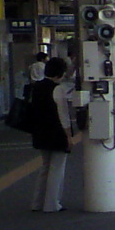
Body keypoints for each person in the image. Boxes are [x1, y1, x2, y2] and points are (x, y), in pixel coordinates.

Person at [29, 56, 73, 212]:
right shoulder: (58, 89)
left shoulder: (37, 87)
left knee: (45, 167)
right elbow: (63, 115)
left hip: (40, 132)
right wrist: (69, 136)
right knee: (57, 169)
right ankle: (52, 204)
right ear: (59, 73)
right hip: (56, 133)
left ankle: (37, 203)